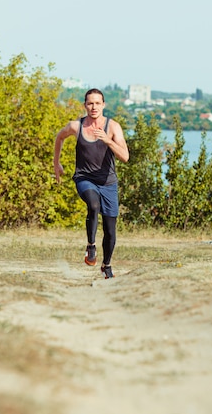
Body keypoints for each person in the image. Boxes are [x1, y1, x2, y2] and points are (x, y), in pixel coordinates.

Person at [53, 88, 129, 279]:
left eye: (97, 103)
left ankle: (107, 265)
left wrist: (108, 141)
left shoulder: (112, 127)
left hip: (108, 182)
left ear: (103, 105)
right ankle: (91, 246)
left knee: (110, 231)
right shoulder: (76, 126)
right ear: (85, 105)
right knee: (93, 205)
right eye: (90, 103)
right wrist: (57, 163)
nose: (93, 107)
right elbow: (59, 137)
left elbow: (125, 157)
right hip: (84, 178)